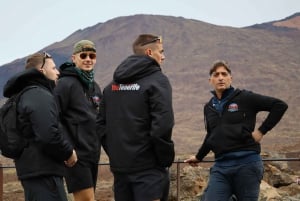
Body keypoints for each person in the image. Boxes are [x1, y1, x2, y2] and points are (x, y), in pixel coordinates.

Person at [184, 60, 288, 201]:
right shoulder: (209, 107)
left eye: (224, 74)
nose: (220, 77)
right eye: (216, 75)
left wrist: (261, 131)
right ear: (210, 80)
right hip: (221, 166)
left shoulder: (245, 97)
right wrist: (199, 157)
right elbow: (211, 135)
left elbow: (279, 106)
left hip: (247, 163)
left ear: (230, 78)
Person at [97, 34, 175, 201]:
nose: (163, 56)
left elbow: (101, 126)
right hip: (149, 170)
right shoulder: (158, 81)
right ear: (149, 52)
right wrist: (164, 159)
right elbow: (163, 125)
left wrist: (117, 154)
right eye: (161, 52)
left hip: (121, 170)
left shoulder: (111, 87)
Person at [3, 52, 78, 201]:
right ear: (42, 71)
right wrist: (68, 153)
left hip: (33, 172)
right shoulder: (38, 94)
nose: (58, 72)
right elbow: (48, 135)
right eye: (54, 68)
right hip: (44, 173)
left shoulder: (24, 94)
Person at [54, 40, 102, 201]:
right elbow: (54, 118)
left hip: (93, 154)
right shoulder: (64, 84)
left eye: (92, 55)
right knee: (87, 200)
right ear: (74, 58)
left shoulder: (95, 87)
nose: (88, 59)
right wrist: (67, 149)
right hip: (75, 156)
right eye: (83, 55)